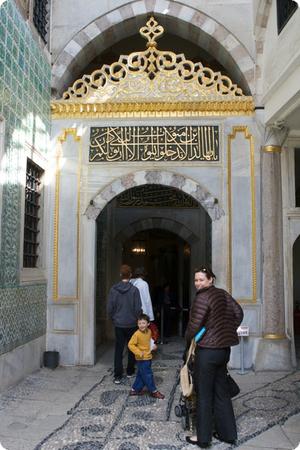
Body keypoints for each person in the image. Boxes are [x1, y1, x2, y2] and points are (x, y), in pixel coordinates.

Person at [185, 266, 244, 448]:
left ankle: (203, 438)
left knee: (204, 394)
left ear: (211, 279)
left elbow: (194, 326)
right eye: (196, 280)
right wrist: (224, 331)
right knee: (221, 392)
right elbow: (239, 314)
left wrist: (187, 347)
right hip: (224, 350)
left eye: (201, 279)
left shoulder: (203, 297)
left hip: (208, 351)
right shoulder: (223, 294)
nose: (198, 283)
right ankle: (228, 434)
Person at [107, 264, 142, 384]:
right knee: (132, 348)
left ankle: (117, 375)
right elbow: (138, 308)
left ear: (120, 275)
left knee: (118, 349)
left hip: (119, 324)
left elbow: (110, 308)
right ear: (130, 275)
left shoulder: (113, 290)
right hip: (132, 324)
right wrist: (138, 319)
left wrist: (114, 319)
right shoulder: (134, 290)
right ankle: (130, 371)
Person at [128, 313, 165, 399]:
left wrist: (153, 346)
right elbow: (130, 344)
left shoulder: (149, 331)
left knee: (141, 374)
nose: (141, 325)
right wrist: (138, 352)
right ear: (137, 324)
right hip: (141, 358)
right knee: (148, 374)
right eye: (139, 323)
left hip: (148, 356)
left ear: (148, 324)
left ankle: (135, 390)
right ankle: (154, 391)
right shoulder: (136, 334)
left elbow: (150, 341)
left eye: (143, 323)